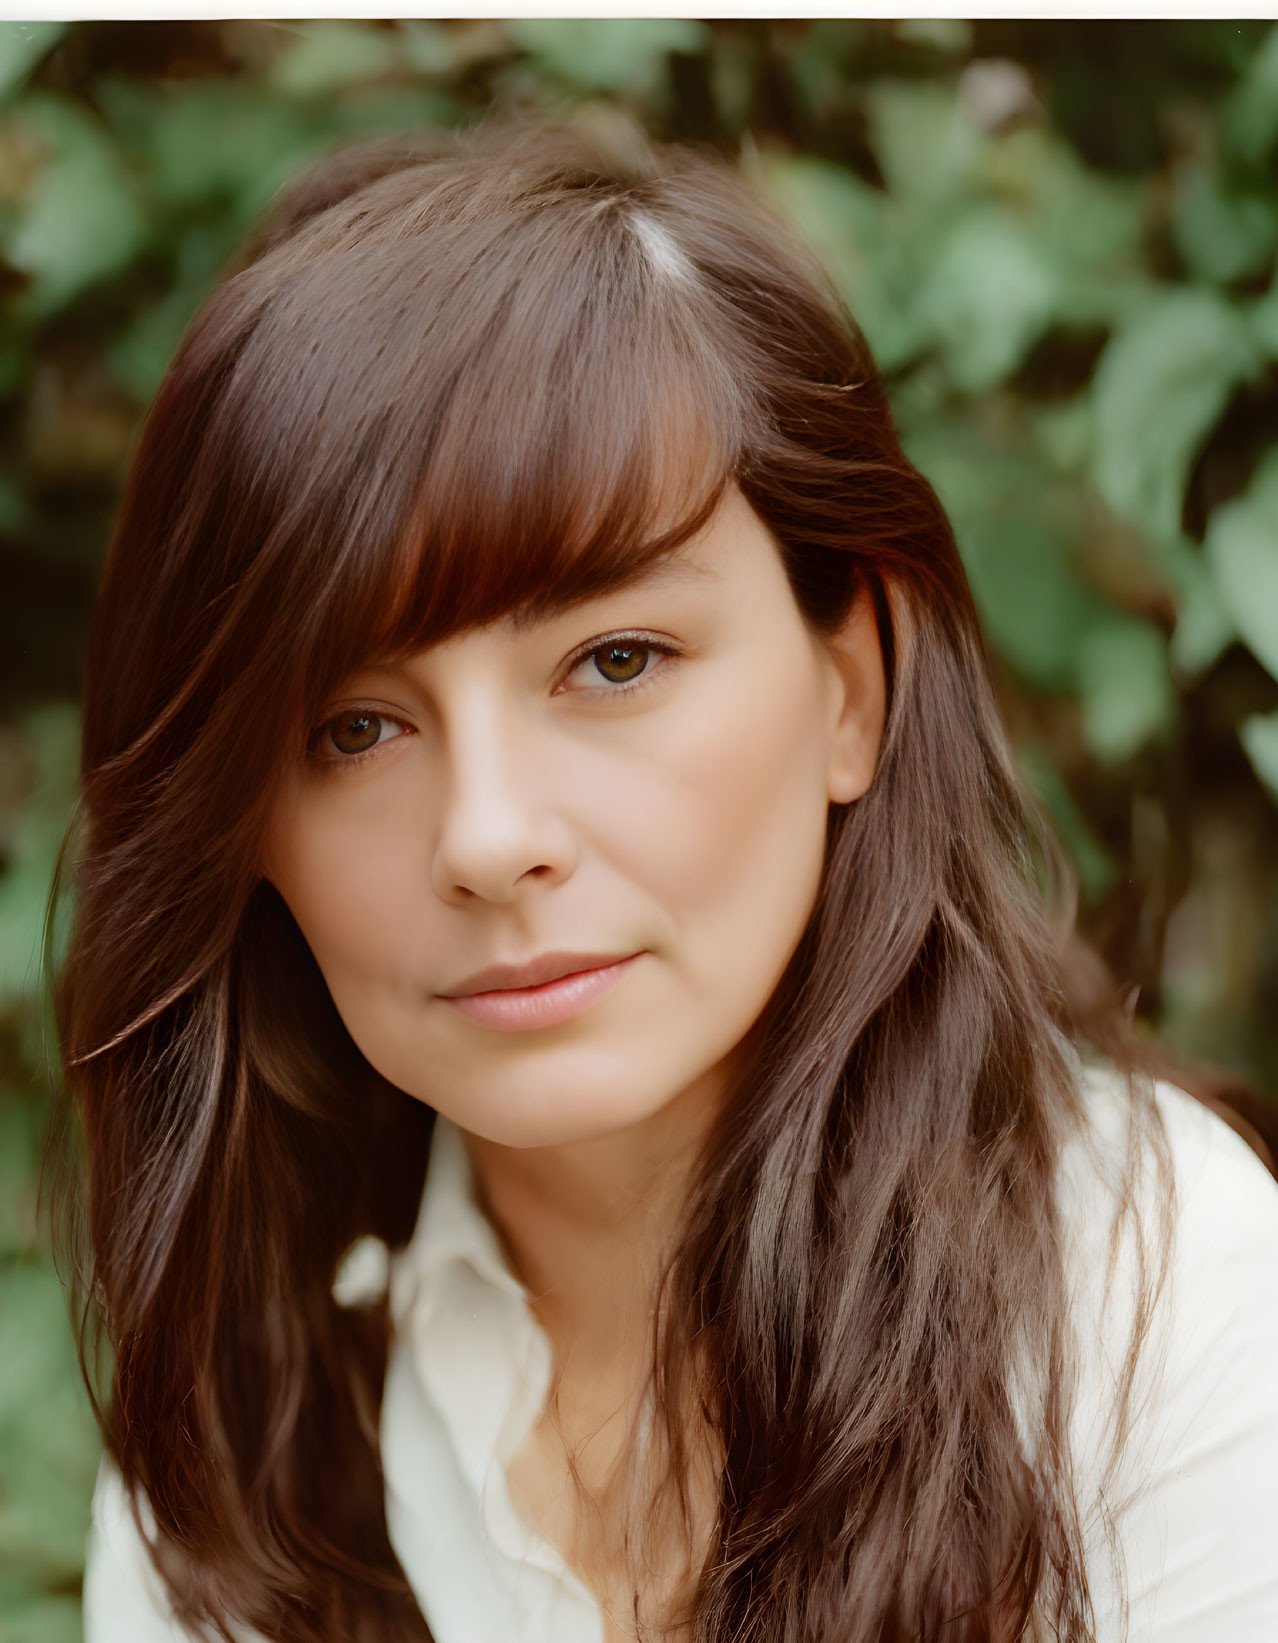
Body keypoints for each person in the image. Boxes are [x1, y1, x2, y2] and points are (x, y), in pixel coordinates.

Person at [53, 113, 1278, 1643]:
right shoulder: (247, 1427)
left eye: (613, 660)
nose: (490, 837)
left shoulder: (1153, 1301)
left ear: (850, 689)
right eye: (352, 727)